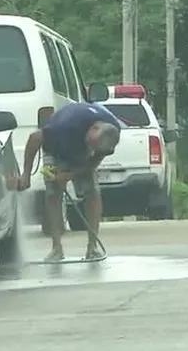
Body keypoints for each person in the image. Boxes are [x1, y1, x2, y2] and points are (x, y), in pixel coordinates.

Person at [18, 101, 122, 261]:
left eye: (93, 147)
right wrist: (26, 174)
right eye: (90, 143)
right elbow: (34, 138)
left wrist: (71, 174)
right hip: (55, 148)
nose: (89, 147)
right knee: (53, 194)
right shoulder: (63, 126)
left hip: (79, 153)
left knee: (92, 193)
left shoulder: (112, 132)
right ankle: (56, 248)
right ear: (93, 128)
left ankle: (92, 247)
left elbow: (96, 158)